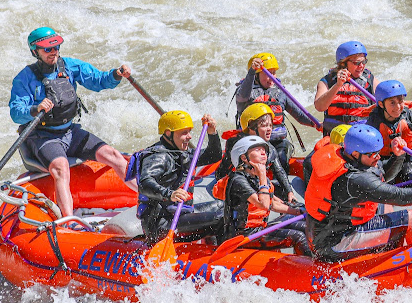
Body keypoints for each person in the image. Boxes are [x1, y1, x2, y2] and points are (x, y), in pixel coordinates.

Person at [9, 27, 135, 219]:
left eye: (56, 47)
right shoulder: (24, 78)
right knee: (61, 167)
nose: (54, 52)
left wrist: (116, 75)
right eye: (47, 49)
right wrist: (35, 109)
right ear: (35, 51)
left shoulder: (69, 66)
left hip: (70, 132)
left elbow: (98, 80)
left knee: (113, 155)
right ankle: (68, 222)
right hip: (43, 137)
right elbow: (16, 113)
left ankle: (148, 198)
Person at [304, 124, 412, 262]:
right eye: (373, 154)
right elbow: (399, 196)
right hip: (334, 244)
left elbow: (383, 176)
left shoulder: (347, 158)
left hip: (329, 234)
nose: (378, 157)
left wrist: (397, 156)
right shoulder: (355, 179)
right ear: (355, 154)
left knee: (383, 205)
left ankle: (390, 256)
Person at [132, 111, 224, 244]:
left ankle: (211, 247)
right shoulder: (159, 156)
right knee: (220, 218)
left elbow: (213, 155)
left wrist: (212, 133)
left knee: (224, 206)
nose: (189, 137)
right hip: (162, 224)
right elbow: (145, 183)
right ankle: (220, 256)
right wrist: (170, 194)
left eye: (189, 131)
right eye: (184, 133)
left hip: (180, 214)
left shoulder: (180, 152)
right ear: (169, 133)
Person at [223, 136, 310, 255]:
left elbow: (272, 204)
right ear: (244, 157)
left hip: (260, 228)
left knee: (304, 226)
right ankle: (312, 270)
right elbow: (263, 204)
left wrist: (298, 211)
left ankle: (315, 261)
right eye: (257, 149)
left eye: (263, 149)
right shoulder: (238, 180)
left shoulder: (257, 178)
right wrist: (263, 176)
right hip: (243, 235)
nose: (263, 152)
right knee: (297, 236)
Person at [235, 53, 318, 171]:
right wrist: (252, 72)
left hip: (277, 142)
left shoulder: (280, 92)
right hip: (251, 141)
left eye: (274, 73)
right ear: (256, 76)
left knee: (281, 157)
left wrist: (316, 123)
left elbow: (299, 115)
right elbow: (242, 96)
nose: (272, 77)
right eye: (268, 73)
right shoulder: (245, 91)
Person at [215, 103, 296, 202]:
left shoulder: (270, 148)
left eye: (270, 125)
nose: (269, 129)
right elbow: (235, 174)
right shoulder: (238, 145)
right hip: (235, 185)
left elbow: (279, 171)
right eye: (264, 125)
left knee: (282, 192)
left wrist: (289, 192)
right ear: (251, 127)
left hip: (256, 183)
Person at [365, 80, 412, 184]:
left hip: (407, 158)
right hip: (383, 160)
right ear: (381, 104)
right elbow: (367, 149)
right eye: (392, 103)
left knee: (409, 177)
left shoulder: (409, 117)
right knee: (387, 182)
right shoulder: (374, 120)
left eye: (400, 101)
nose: (398, 107)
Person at [313, 41, 379, 135]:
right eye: (357, 63)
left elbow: (385, 104)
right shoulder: (328, 81)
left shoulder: (370, 80)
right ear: (343, 64)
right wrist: (338, 85)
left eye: (364, 62)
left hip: (362, 134)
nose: (361, 66)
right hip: (335, 134)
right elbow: (319, 107)